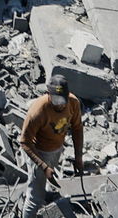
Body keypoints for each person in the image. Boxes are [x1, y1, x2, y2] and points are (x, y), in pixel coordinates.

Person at [20, 75, 84, 218]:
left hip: (56, 149)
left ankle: (45, 192)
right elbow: (25, 142)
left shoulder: (73, 103)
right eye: (56, 101)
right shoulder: (38, 111)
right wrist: (43, 166)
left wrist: (79, 157)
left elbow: (77, 129)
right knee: (34, 198)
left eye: (63, 100)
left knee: (46, 180)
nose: (60, 105)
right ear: (49, 94)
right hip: (38, 152)